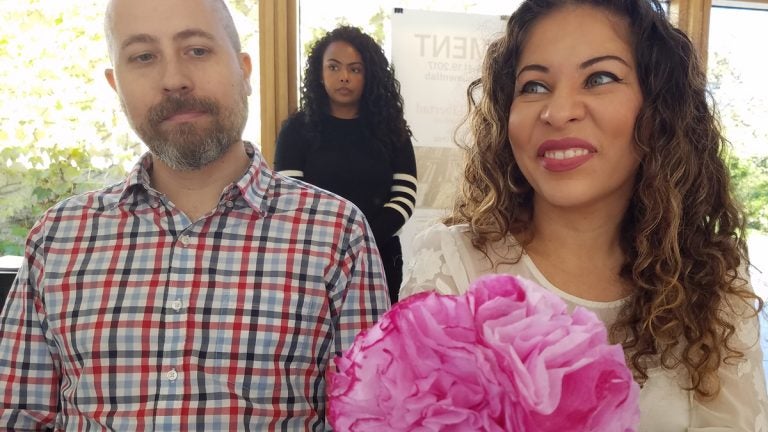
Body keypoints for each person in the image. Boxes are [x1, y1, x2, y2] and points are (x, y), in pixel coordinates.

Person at [0, 0, 389, 430]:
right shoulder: (57, 240)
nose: (174, 80)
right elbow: (16, 415)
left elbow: (370, 419)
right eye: (143, 57)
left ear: (244, 70)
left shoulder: (337, 233)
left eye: (197, 50)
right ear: (116, 85)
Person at [400, 0, 768, 429]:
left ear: (659, 112)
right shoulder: (452, 265)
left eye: (599, 78)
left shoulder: (713, 279)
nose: (557, 112)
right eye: (534, 86)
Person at [274, 26, 417, 304]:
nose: (343, 77)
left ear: (369, 75)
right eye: (334, 67)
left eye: (355, 69)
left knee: (376, 343)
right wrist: (333, 244)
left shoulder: (392, 130)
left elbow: (404, 197)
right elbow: (288, 198)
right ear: (319, 71)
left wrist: (362, 240)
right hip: (312, 260)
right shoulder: (296, 130)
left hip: (379, 258)